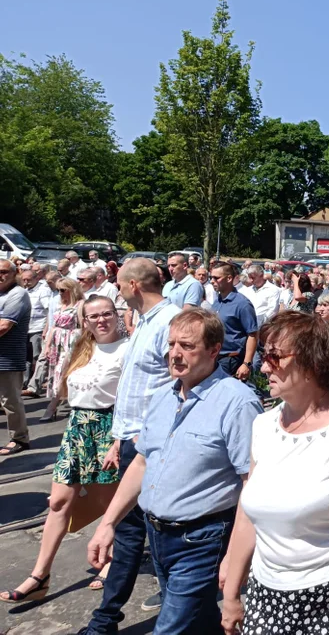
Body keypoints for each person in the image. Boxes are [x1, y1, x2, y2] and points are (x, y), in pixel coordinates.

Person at [219, 311, 329, 635]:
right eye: (262, 355)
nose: (263, 366)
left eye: (274, 357)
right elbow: (247, 511)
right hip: (264, 597)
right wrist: (231, 592)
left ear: (313, 362)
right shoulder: (263, 426)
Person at [86, 309, 262, 632]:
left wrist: (236, 561)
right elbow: (141, 463)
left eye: (187, 345)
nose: (175, 354)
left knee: (169, 628)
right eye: (171, 344)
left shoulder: (237, 403)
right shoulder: (163, 397)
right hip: (158, 537)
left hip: (202, 539)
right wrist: (107, 523)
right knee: (200, 624)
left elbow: (252, 485)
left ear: (214, 350)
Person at [76, 257, 182, 632]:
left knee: (147, 530)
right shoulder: (146, 322)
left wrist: (144, 435)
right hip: (133, 441)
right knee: (132, 531)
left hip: (151, 444)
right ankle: (108, 620)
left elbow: (177, 384)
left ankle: (172, 615)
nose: (116, 291)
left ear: (134, 285)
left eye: (119, 284)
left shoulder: (170, 323)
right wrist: (119, 439)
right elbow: (136, 388)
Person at [0, 296, 128, 603]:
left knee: (109, 503)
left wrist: (120, 440)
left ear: (116, 315)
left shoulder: (129, 349)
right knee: (58, 502)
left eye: (106, 313)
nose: (101, 320)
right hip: (77, 428)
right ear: (85, 321)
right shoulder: (82, 348)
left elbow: (134, 399)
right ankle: (40, 574)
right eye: (93, 316)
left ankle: (112, 560)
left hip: (108, 427)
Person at [40, 277, 85, 423]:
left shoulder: (80, 304)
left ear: (71, 290)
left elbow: (82, 327)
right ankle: (66, 402)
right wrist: (47, 346)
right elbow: (53, 326)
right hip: (56, 342)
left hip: (71, 342)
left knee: (62, 372)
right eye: (58, 290)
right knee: (55, 373)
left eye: (62, 290)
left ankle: (52, 406)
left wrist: (79, 344)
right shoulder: (60, 304)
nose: (59, 293)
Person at [0, 260, 32, 455]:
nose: (0, 275)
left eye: (3, 272)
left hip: (8, 358)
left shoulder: (17, 294)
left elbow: (4, 326)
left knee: (10, 400)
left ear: (14, 273)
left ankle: (19, 438)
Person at [210, 263, 259, 379]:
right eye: (211, 277)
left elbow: (253, 334)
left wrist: (246, 363)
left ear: (229, 278)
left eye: (216, 278)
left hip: (231, 359)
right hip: (215, 357)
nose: (212, 281)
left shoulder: (242, 304)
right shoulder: (217, 301)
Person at [20, 268, 51, 398]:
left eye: (28, 279)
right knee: (25, 358)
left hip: (37, 329)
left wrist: (46, 329)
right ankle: (24, 384)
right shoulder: (23, 291)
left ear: (36, 278)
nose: (26, 282)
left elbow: (49, 309)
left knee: (37, 358)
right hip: (24, 329)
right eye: (24, 280)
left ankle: (36, 386)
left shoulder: (42, 291)